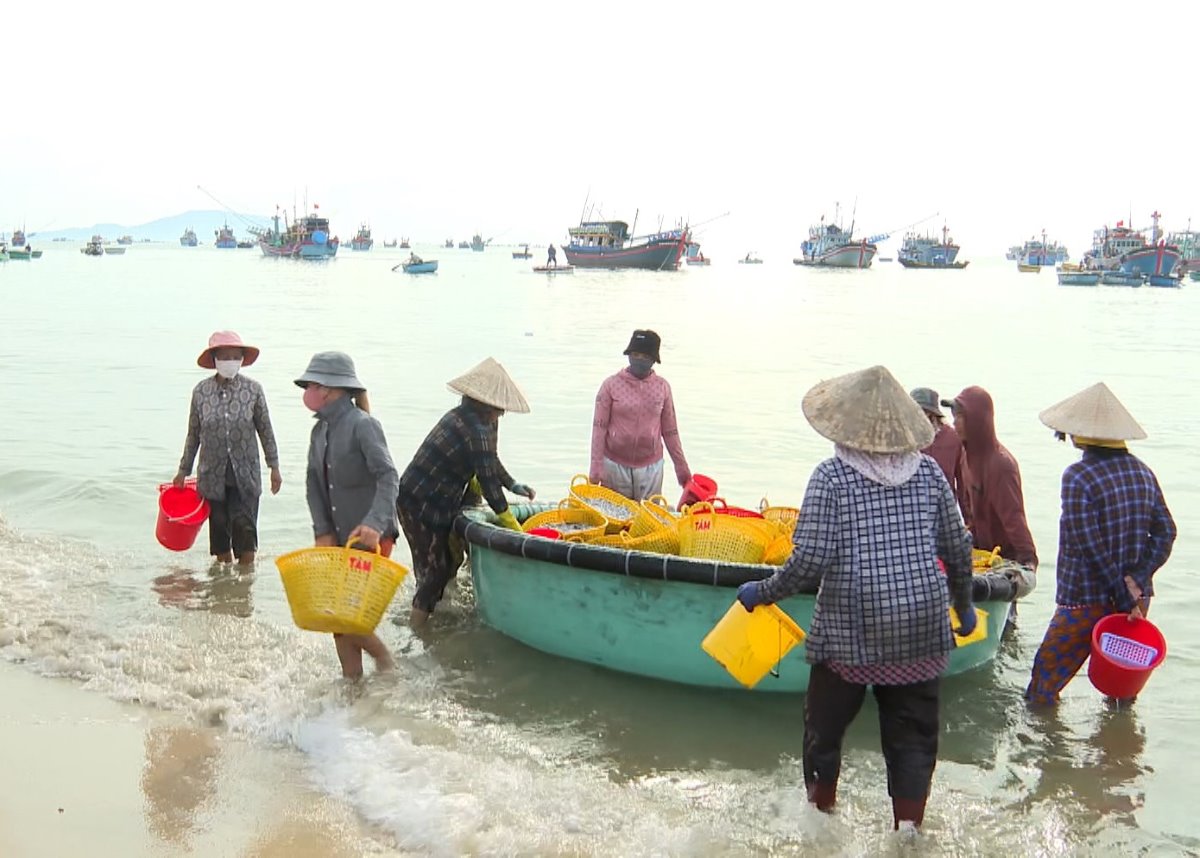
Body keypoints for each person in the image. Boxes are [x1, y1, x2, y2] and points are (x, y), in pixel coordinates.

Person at [737, 365, 975, 831]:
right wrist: (964, 606)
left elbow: (808, 563)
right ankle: (907, 834)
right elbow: (958, 547)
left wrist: (762, 593)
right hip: (921, 627)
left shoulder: (832, 477)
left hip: (850, 628)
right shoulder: (927, 472)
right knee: (914, 739)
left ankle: (821, 822)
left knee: (824, 732)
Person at [1026, 382, 1176, 706]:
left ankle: (1045, 749)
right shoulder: (1144, 473)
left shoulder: (1078, 476)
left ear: (1080, 436)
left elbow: (1088, 544)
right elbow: (1166, 533)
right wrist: (1136, 580)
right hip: (1136, 601)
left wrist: (1120, 591)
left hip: (1084, 600)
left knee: (1043, 685)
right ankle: (1120, 751)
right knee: (1123, 685)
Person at [397, 357, 535, 626]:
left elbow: (489, 460)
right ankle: (417, 629)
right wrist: (510, 523)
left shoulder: (486, 423)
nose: (502, 414)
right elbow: (488, 482)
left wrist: (512, 484)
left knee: (448, 562)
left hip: (444, 499)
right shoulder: (471, 426)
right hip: (417, 501)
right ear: (483, 403)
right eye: (499, 408)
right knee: (433, 572)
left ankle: (437, 613)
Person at [297, 351, 400, 678]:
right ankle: (352, 683)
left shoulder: (363, 426)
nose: (309, 392)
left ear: (329, 389)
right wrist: (322, 531)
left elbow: (389, 477)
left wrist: (373, 523)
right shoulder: (320, 432)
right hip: (337, 537)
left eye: (312, 384)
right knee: (336, 620)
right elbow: (313, 482)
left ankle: (386, 663)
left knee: (345, 616)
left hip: (369, 539)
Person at [175, 331, 281, 565]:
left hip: (246, 474)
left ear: (242, 359)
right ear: (215, 359)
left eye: (235, 356)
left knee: (244, 529)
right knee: (220, 533)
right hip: (213, 476)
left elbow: (266, 430)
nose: (231, 360)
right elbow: (193, 434)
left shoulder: (253, 391)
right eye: (225, 356)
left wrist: (274, 466)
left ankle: (245, 585)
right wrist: (183, 470)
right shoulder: (201, 392)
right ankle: (223, 589)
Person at [943, 386, 1037, 596]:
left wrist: (1028, 561)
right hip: (981, 556)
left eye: (960, 417)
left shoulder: (1001, 465)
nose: (954, 423)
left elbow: (1014, 518)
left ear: (977, 421)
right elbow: (968, 510)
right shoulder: (966, 455)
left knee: (1005, 620)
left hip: (1005, 563)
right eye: (954, 416)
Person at [590, 329, 692, 501]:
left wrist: (681, 468)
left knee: (648, 519)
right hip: (614, 465)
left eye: (645, 357)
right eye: (635, 354)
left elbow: (670, 432)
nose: (639, 360)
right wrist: (596, 466)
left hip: (651, 468)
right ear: (629, 355)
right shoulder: (611, 385)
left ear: (654, 360)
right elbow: (599, 429)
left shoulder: (662, 388)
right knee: (616, 516)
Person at [909, 387, 962, 494]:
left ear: (933, 415)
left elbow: (963, 482)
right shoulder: (905, 439)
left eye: (923, 413)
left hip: (946, 505)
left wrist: (967, 510)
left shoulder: (954, 439)